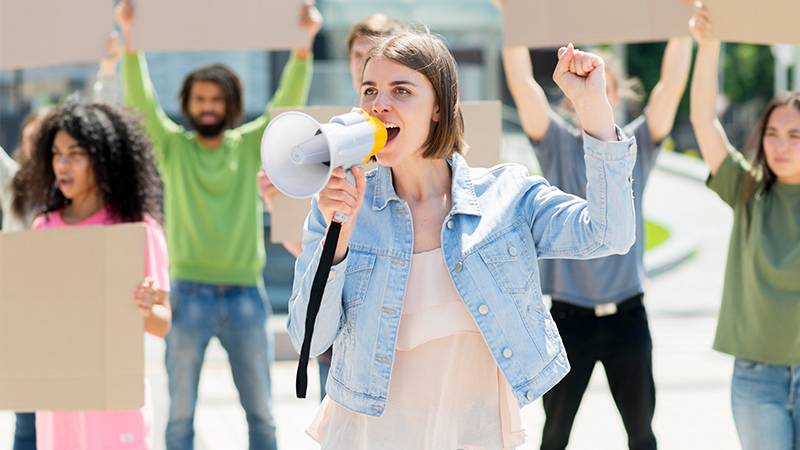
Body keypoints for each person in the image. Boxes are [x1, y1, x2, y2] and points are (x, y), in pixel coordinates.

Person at [288, 28, 637, 449]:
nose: (379, 105)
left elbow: (609, 234)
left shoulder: (507, 198)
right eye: (369, 90)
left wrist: (593, 108)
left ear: (439, 107)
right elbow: (308, 337)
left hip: (475, 435)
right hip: (369, 436)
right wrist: (337, 235)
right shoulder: (338, 208)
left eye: (401, 90)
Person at [116, 0, 321, 447]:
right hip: (186, 295)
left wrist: (303, 47)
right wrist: (130, 39)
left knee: (263, 416)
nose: (208, 107)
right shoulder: (174, 149)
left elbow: (283, 108)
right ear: (187, 105)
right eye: (200, 99)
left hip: (246, 295)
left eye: (216, 100)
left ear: (230, 106)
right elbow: (142, 102)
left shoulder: (248, 148)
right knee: (180, 419)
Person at [499, 3, 692, 448]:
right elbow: (523, 84)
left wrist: (684, 28)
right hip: (569, 316)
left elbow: (670, 88)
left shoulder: (636, 144)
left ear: (620, 94)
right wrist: (514, 17)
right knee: (555, 435)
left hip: (628, 313)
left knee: (642, 433)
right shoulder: (556, 143)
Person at [258, 12, 405, 402]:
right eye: (358, 55)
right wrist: (277, 205)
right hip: (342, 331)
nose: (364, 64)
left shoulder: (404, 138)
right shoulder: (328, 134)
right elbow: (312, 256)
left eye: (375, 53)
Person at [10, 99, 170, 450]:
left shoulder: (138, 230)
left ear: (103, 158)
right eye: (56, 154)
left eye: (75, 154)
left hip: (116, 403)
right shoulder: (43, 228)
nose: (62, 165)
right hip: (59, 402)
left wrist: (144, 307)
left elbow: (162, 323)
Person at [689, 6, 800, 450]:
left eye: (795, 136)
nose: (779, 145)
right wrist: (710, 42)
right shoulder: (748, 188)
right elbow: (702, 121)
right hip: (757, 380)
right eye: (773, 133)